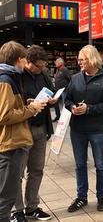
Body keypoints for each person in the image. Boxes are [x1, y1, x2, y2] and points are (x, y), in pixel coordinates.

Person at [65, 45, 103, 213]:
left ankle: (101, 198)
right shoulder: (75, 78)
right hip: (77, 129)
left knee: (100, 165)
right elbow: (67, 99)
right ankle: (82, 197)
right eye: (79, 59)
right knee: (80, 165)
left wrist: (89, 109)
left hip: (97, 129)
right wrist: (72, 107)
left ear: (92, 59)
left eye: (82, 59)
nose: (79, 62)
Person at [0, 41, 46, 222]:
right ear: (19, 60)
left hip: (13, 141)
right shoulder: (6, 79)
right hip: (10, 144)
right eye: (24, 60)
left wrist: (27, 104)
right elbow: (4, 115)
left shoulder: (9, 77)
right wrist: (32, 109)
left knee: (7, 193)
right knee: (6, 196)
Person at [12, 45, 58, 222]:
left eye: (42, 66)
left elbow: (50, 91)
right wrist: (29, 102)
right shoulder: (17, 76)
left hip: (41, 128)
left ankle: (32, 207)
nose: (40, 69)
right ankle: (17, 211)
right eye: (37, 66)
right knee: (17, 173)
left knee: (37, 170)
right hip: (23, 129)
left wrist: (53, 99)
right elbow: (13, 104)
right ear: (28, 62)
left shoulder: (43, 74)